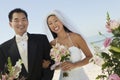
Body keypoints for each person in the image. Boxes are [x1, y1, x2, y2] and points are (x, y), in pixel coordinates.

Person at [0, 8, 54, 80]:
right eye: (16, 20)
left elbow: (52, 63)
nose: (21, 23)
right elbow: (3, 73)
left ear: (28, 22)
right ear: (10, 24)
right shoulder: (3, 48)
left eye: (23, 19)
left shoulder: (42, 39)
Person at [44, 10, 93, 80]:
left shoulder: (76, 37)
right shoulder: (52, 44)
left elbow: (90, 57)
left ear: (61, 21)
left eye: (55, 21)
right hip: (64, 77)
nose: (54, 25)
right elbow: (53, 66)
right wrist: (60, 66)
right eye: (50, 23)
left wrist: (74, 65)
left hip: (80, 77)